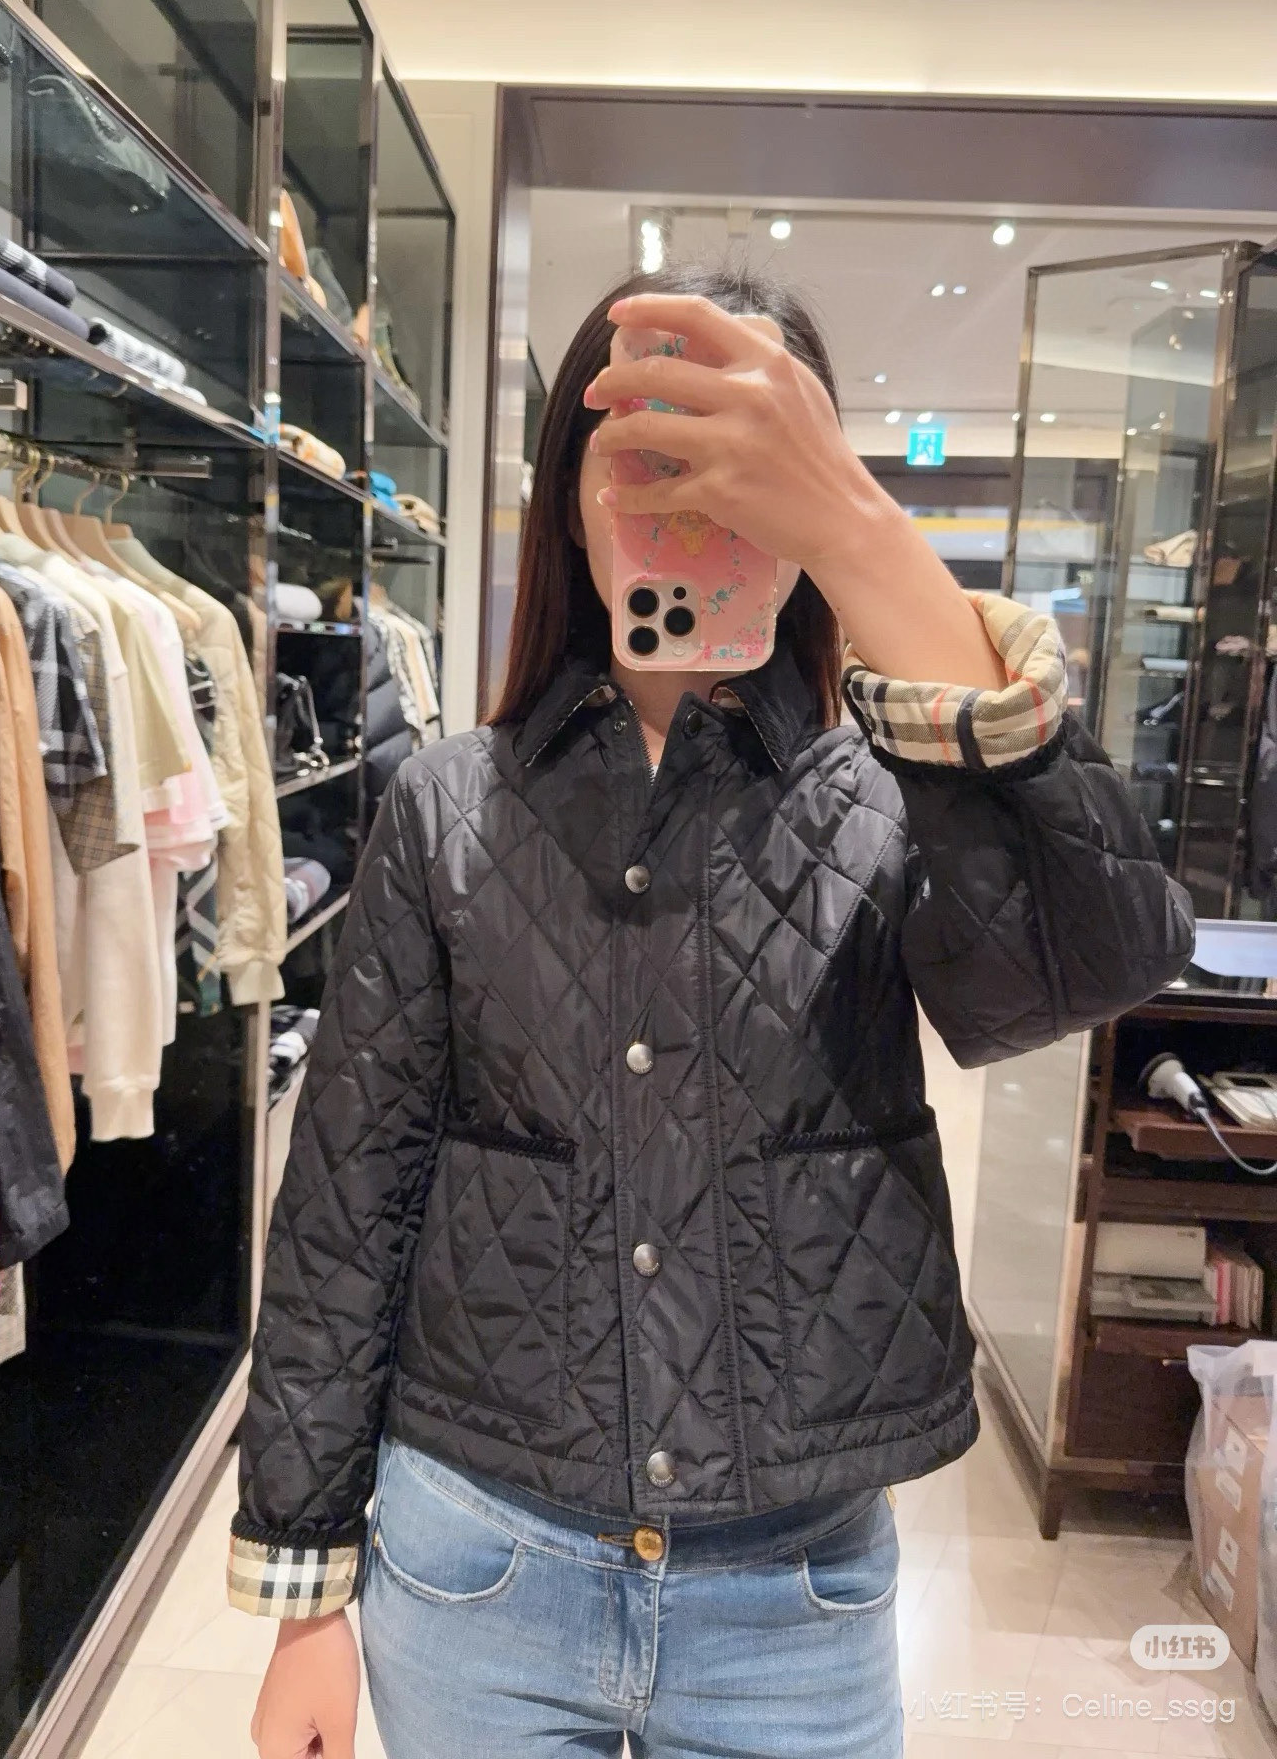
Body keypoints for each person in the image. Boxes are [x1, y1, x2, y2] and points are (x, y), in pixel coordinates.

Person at [230, 263, 1194, 1759]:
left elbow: (1096, 961)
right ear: (568, 503)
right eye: (646, 464)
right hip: (480, 1564)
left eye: (749, 478)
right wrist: (303, 1592)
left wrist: (867, 537)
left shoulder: (892, 797)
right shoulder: (448, 806)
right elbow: (348, 1205)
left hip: (791, 1591)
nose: (690, 514)